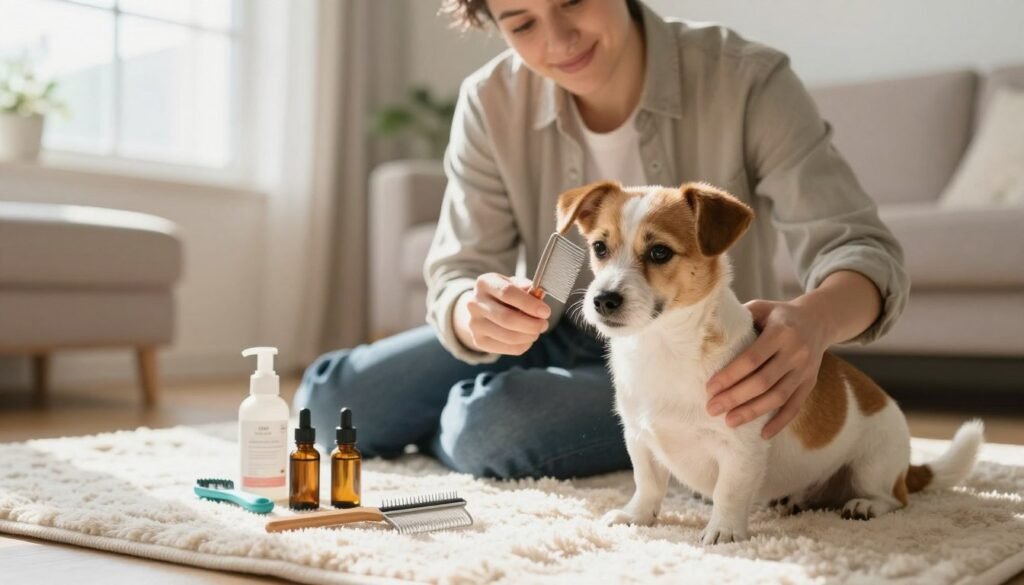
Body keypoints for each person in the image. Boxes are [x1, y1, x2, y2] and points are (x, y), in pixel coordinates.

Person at [293, 0, 909, 480]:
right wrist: (472, 310)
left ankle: (473, 422)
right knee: (328, 403)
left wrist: (815, 322)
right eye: (521, 23)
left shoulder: (747, 80)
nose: (558, 41)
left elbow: (858, 247)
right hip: (556, 322)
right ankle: (472, 418)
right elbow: (458, 269)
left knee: (492, 425)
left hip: (690, 356)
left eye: (574, 2)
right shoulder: (490, 100)